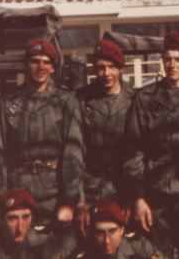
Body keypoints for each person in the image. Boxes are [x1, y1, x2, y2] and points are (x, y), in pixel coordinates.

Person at [0, 38, 84, 230]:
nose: (41, 67)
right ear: (25, 64)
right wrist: (1, 201)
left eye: (46, 62)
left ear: (53, 68)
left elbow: (73, 154)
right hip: (18, 196)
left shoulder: (65, 102)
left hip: (54, 196)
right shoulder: (7, 104)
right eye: (35, 61)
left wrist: (68, 201)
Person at [123, 32, 179, 259]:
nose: (171, 65)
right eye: (167, 59)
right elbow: (133, 148)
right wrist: (138, 197)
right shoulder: (146, 98)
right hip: (154, 195)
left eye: (178, 59)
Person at [74, 39, 135, 233]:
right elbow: (76, 151)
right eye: (101, 68)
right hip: (91, 186)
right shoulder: (82, 99)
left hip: (123, 186)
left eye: (111, 67)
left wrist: (134, 196)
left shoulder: (135, 100)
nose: (106, 74)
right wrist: (80, 200)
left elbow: (139, 152)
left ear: (120, 68)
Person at [68, 199, 163, 259]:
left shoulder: (138, 245)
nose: (107, 240)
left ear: (122, 230)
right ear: (92, 232)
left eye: (112, 231)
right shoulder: (84, 255)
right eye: (100, 233)